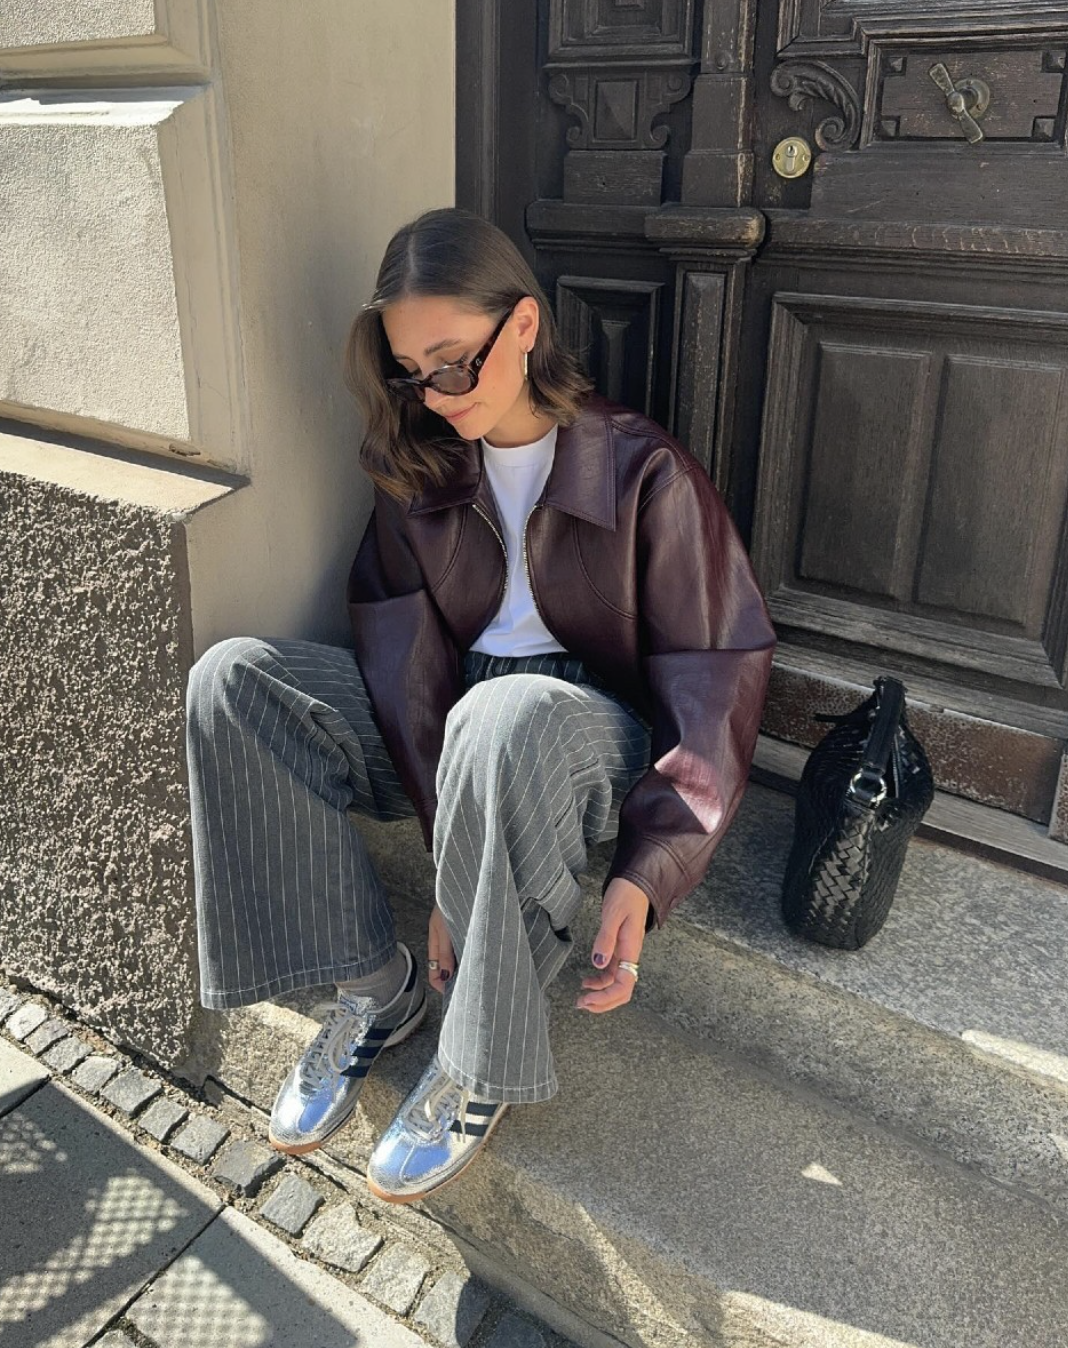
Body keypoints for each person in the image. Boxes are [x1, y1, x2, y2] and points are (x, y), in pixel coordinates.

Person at [185, 207, 775, 1205]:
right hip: (458, 723)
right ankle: (376, 989)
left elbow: (715, 670)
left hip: (578, 727)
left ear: (527, 327)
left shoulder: (643, 472)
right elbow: (402, 659)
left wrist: (650, 864)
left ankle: (476, 1054)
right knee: (232, 679)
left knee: (499, 721)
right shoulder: (417, 471)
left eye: (453, 362)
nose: (432, 394)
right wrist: (448, 858)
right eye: (410, 370)